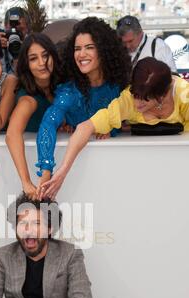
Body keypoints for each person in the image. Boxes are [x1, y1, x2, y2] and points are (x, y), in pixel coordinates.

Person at [39, 57, 189, 200]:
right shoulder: (127, 101)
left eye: (145, 98)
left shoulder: (184, 95)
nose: (137, 103)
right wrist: (63, 171)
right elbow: (85, 127)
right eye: (135, 94)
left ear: (161, 96)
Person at [36, 17, 131, 190]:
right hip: (81, 180)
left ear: (103, 51)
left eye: (89, 47)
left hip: (115, 176)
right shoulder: (70, 92)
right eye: (77, 49)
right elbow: (48, 123)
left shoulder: (119, 88)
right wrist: (46, 169)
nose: (81, 54)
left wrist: (114, 130)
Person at [6, 33, 63, 200]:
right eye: (33, 58)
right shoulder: (28, 99)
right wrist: (26, 182)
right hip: (40, 166)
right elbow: (12, 134)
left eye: (45, 55)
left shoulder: (64, 85)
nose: (41, 63)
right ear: (26, 65)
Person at [0, 7, 30, 75]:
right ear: (5, 27)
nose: (15, 33)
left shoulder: (32, 45)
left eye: (20, 30)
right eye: (11, 29)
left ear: (27, 28)